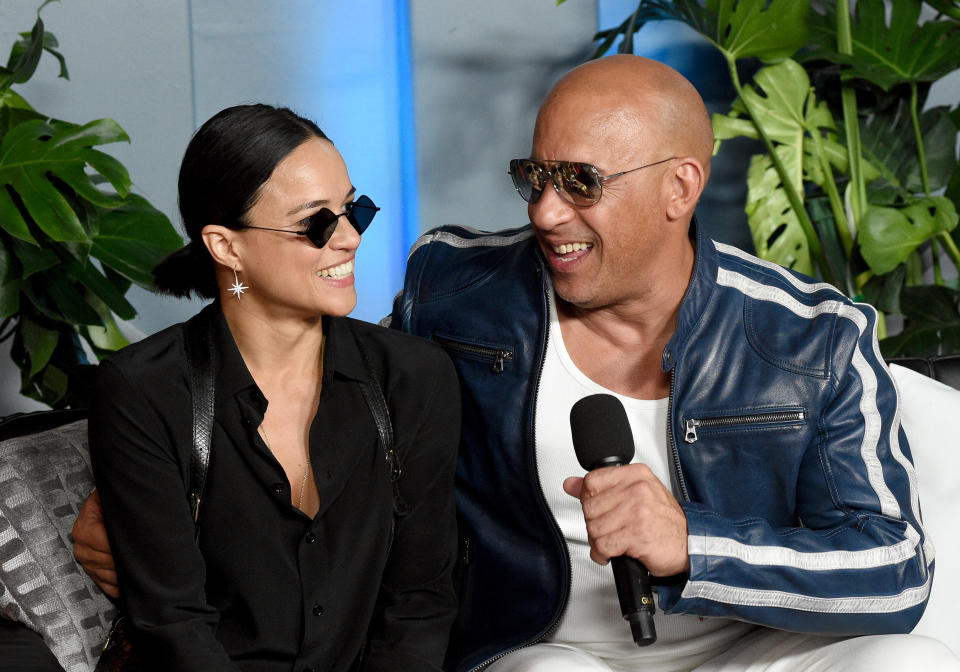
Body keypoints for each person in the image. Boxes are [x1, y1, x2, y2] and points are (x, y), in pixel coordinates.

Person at [76, 59, 959, 671]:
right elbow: (326, 387)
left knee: (911, 660)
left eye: (580, 182)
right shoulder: (457, 291)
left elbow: (895, 570)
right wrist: (145, 484)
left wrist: (693, 544)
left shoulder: (814, 338)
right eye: (533, 176)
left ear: (680, 189)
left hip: (760, 646)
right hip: (544, 648)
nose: (543, 212)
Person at [83, 104, 460, 672]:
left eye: (353, 208)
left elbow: (418, 604)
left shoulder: (412, 378)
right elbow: (174, 625)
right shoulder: (145, 391)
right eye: (317, 223)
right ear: (226, 247)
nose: (351, 238)